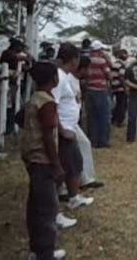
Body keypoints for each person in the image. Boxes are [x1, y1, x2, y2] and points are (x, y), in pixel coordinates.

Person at [17, 62, 66, 259]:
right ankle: (45, 253)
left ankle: (36, 250)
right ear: (53, 79)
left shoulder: (34, 99)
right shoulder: (47, 103)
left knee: (35, 207)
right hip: (43, 160)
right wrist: (57, 165)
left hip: (31, 158)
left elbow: (19, 119)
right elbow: (48, 136)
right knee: (47, 209)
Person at [52, 43, 94, 211]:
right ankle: (65, 200)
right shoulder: (59, 78)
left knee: (74, 164)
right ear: (74, 59)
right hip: (64, 129)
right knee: (68, 166)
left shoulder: (64, 76)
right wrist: (62, 130)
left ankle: (73, 196)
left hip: (69, 127)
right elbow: (51, 106)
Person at [69, 55, 104, 190]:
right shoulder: (68, 80)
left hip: (73, 121)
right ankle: (75, 183)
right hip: (67, 123)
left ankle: (86, 179)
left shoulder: (76, 80)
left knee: (84, 144)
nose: (89, 72)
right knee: (74, 151)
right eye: (87, 69)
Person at [85, 40, 112, 148]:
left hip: (89, 89)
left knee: (92, 117)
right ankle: (103, 140)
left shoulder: (87, 59)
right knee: (104, 116)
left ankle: (93, 140)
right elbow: (109, 74)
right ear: (99, 50)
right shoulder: (101, 61)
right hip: (100, 89)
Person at [111, 49, 128, 127]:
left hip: (113, 86)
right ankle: (120, 121)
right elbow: (121, 77)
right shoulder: (122, 65)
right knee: (122, 104)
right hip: (120, 87)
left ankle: (114, 119)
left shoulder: (114, 63)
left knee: (118, 104)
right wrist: (125, 88)